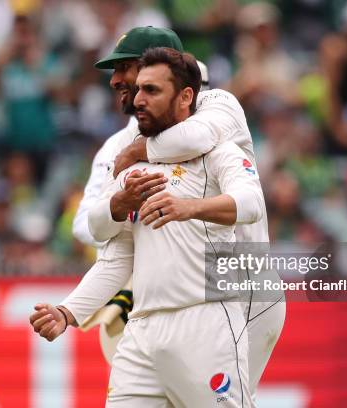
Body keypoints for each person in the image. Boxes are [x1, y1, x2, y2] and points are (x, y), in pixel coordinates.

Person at [31, 26, 285, 406]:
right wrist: (69, 311)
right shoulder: (121, 150)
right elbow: (104, 240)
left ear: (181, 91)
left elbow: (245, 197)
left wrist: (179, 198)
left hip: (231, 300)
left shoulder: (217, 117)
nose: (120, 84)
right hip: (150, 318)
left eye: (133, 73)